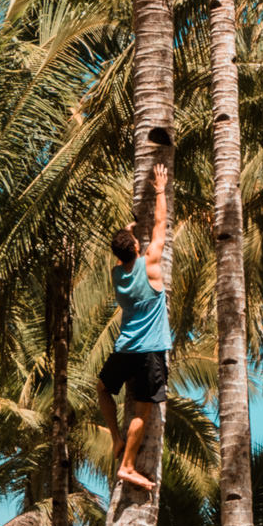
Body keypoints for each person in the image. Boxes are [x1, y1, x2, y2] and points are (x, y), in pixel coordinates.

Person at [97, 163, 171, 490]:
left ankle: (115, 437)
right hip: (149, 353)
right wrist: (160, 189)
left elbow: (122, 255)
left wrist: (127, 235)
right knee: (143, 410)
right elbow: (160, 225)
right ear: (137, 249)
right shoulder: (151, 265)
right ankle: (127, 465)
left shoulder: (118, 277)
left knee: (103, 388)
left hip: (124, 349)